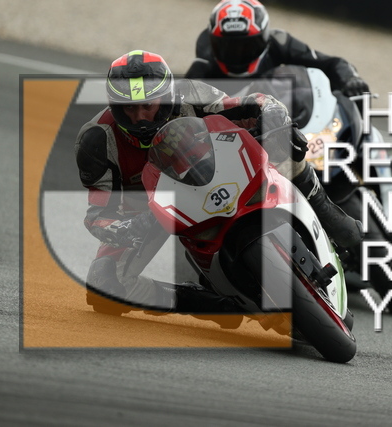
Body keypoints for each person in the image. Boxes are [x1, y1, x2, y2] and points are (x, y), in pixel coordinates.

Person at [75, 50, 363, 318]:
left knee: (282, 138)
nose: (139, 117)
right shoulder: (97, 141)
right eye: (128, 108)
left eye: (147, 106)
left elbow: (247, 106)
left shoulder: (189, 94)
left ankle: (327, 212)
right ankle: (208, 302)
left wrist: (273, 113)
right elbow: (97, 215)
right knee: (104, 286)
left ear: (165, 98)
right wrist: (124, 228)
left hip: (212, 167)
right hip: (150, 211)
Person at [185, 0, 369, 97]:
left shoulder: (280, 42)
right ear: (213, 43)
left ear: (265, 38)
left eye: (246, 46)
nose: (238, 54)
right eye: (229, 47)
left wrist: (350, 79)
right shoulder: (204, 59)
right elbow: (180, 99)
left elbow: (332, 63)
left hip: (277, 119)